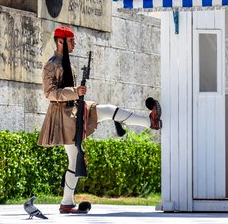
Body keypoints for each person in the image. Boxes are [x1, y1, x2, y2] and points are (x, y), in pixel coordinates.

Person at [37, 26, 162, 214]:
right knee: (74, 159)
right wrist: (74, 91)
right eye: (71, 41)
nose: (74, 44)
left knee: (108, 111)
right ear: (60, 41)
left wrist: (77, 94)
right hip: (64, 117)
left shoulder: (68, 65)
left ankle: (150, 121)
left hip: (77, 110)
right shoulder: (51, 65)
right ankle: (66, 203)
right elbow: (49, 93)